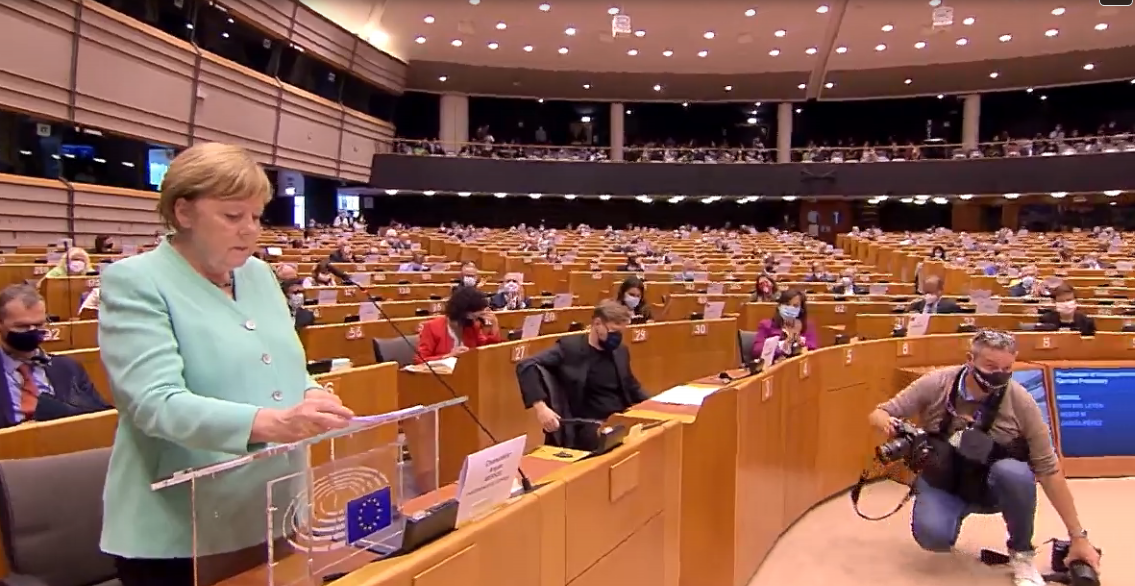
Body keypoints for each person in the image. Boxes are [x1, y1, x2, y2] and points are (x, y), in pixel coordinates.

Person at [96, 142, 355, 586]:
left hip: (276, 509)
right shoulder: (135, 282)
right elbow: (154, 403)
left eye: (256, 216)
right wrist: (269, 422)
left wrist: (311, 392)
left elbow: (285, 366)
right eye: (233, 216)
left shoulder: (258, 274)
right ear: (183, 212)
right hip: (182, 531)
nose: (250, 230)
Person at [867, 330, 1101, 586]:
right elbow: (879, 412)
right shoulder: (937, 383)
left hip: (992, 487)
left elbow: (1049, 470)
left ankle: (1021, 554)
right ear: (970, 359)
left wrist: (1078, 536)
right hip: (944, 480)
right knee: (932, 537)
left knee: (1015, 473)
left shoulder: (1021, 401)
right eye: (990, 366)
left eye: (1007, 368)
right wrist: (892, 425)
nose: (998, 374)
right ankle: (949, 517)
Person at [515, 301, 647, 450]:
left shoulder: (620, 351)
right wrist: (541, 408)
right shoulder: (570, 348)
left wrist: (656, 405)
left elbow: (631, 386)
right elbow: (525, 365)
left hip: (620, 418)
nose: (617, 337)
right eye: (613, 332)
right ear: (597, 324)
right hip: (588, 425)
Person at [0, 284, 110, 428]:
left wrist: (53, 410)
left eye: (39, 325)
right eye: (22, 326)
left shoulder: (68, 368)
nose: (32, 331)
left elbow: (101, 417)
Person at [416, 285, 502, 363]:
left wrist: (495, 326)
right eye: (475, 315)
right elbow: (420, 360)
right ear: (465, 313)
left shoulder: (471, 326)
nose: (477, 319)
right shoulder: (432, 327)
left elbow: (486, 349)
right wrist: (449, 356)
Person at [751, 289, 817, 363]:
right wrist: (782, 346)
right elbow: (757, 351)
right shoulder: (766, 325)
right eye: (787, 304)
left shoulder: (808, 325)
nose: (791, 308)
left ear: (801, 309)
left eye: (795, 306)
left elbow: (813, 349)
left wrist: (799, 343)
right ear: (779, 306)